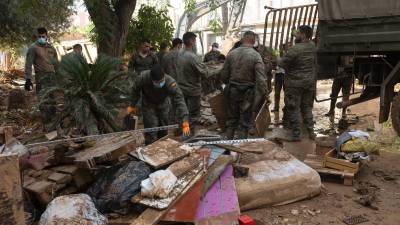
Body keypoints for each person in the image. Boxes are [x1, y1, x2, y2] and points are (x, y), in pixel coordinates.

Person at [220, 31, 268, 139]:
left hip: (232, 92)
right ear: (254, 41)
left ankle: (228, 148)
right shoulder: (256, 56)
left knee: (231, 120)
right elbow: (261, 79)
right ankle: (241, 149)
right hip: (248, 94)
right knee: (244, 123)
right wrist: (265, 95)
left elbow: (223, 76)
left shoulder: (231, 54)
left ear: (242, 39)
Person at [128, 64, 190, 144]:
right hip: (148, 104)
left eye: (162, 81)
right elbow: (135, 90)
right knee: (151, 131)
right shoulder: (143, 78)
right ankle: (149, 150)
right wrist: (132, 105)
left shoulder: (170, 82)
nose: (160, 84)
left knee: (163, 130)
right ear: (152, 79)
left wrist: (185, 120)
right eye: (158, 82)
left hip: (163, 104)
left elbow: (180, 101)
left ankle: (162, 149)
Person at [279, 25, 316, 141]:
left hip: (294, 84)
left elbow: (282, 64)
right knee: (307, 107)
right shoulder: (312, 46)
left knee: (293, 107)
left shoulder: (296, 49)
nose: (295, 35)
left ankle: (296, 134)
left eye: (298, 33)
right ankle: (311, 132)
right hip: (309, 83)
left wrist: (276, 57)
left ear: (303, 35)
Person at [176, 32, 216, 134]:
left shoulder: (178, 53)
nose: (195, 42)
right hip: (192, 90)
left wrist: (206, 64)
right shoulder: (192, 56)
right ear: (191, 41)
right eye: (195, 40)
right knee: (193, 115)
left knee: (183, 113)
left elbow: (190, 67)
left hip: (180, 88)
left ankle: (182, 130)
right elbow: (205, 73)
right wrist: (219, 69)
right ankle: (188, 136)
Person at [24, 27, 58, 128]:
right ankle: (46, 122)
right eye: (39, 36)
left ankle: (54, 120)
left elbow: (56, 63)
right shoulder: (33, 48)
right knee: (43, 98)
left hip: (52, 76)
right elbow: (28, 64)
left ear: (47, 36)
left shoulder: (51, 48)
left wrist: (60, 76)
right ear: (37, 36)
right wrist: (28, 79)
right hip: (41, 76)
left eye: (43, 36)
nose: (41, 38)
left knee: (52, 98)